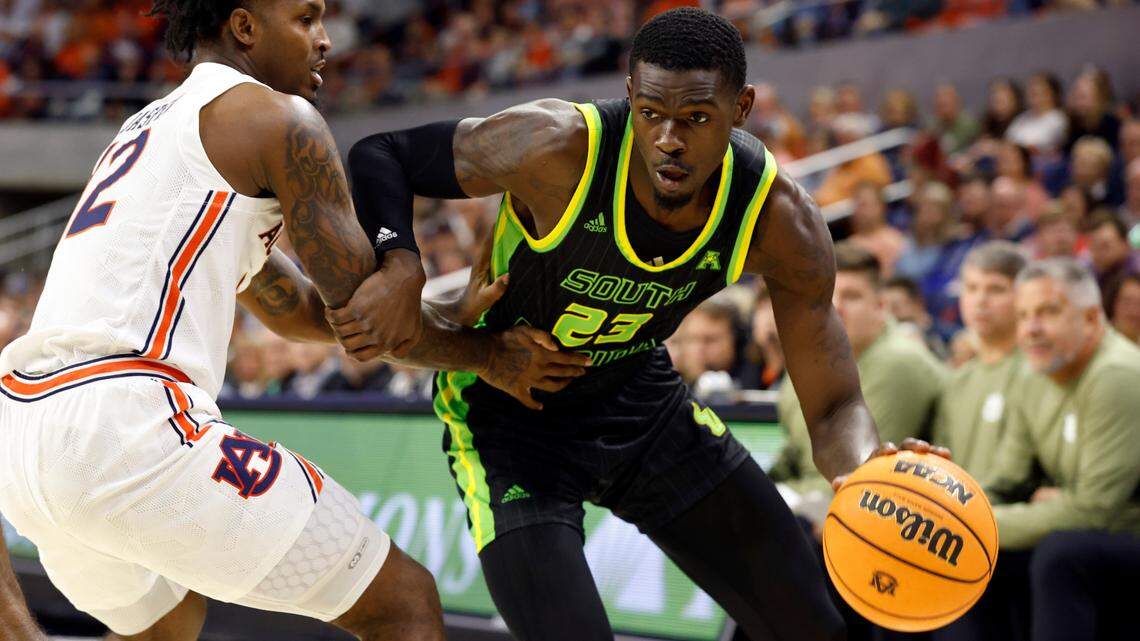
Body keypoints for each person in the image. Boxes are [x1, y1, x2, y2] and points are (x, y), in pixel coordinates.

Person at [335, 9, 945, 641]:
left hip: (640, 402)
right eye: (651, 114)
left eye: (696, 118)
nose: (669, 140)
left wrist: (869, 474)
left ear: (741, 108)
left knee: (816, 629)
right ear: (630, 97)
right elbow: (384, 152)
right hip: (509, 420)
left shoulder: (779, 217)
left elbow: (835, 405)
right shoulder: (556, 145)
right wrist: (401, 262)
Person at [0, 2, 580, 639]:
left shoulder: (152, 126)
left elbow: (300, 308)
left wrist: (434, 313)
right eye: (306, 19)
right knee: (404, 603)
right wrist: (490, 355)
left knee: (168, 622)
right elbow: (367, 317)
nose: (325, 40)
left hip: (23, 430)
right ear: (245, 27)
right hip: (123, 422)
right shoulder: (279, 119)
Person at [942, 258, 1140, 641]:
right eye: (1023, 315)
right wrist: (948, 513)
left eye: (1048, 312)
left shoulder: (1116, 376)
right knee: (961, 557)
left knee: (1060, 553)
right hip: (1091, 526)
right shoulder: (1034, 374)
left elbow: (1094, 511)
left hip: (1126, 533)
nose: (1031, 329)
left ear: (1091, 318)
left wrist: (974, 524)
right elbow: (1008, 479)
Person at [771, 243, 947, 501]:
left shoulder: (899, 362)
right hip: (814, 499)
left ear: (881, 306)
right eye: (825, 295)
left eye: (851, 296)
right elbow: (791, 455)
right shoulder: (809, 358)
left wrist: (780, 496)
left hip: (888, 508)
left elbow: (865, 477)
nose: (835, 307)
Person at [931, 242, 1029, 487]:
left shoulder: (1036, 373)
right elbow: (940, 464)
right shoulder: (957, 379)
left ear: (1024, 296)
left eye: (996, 289)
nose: (981, 300)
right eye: (971, 288)